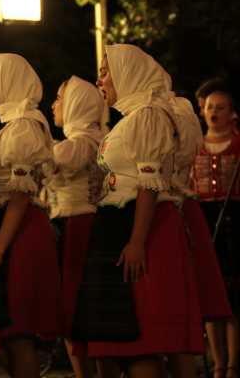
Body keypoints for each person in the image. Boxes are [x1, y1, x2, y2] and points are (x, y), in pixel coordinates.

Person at [73, 44, 204, 378]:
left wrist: (137, 241)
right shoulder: (131, 119)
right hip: (123, 222)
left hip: (145, 225)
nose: (100, 80)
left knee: (145, 336)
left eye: (106, 72)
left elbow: (149, 183)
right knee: (128, 336)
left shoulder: (148, 115)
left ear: (127, 73)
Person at [0, 52, 58, 378]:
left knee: (18, 334)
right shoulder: (12, 127)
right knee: (5, 334)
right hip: (7, 228)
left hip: (18, 231)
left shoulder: (23, 127)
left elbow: (20, 195)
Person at [48, 75, 105, 378]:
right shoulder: (97, 139)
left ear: (75, 104)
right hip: (87, 225)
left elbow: (41, 160)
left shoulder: (78, 145)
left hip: (75, 226)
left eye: (60, 98)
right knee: (86, 309)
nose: (54, 105)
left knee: (74, 307)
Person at [191, 80, 240, 378]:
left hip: (233, 218)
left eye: (220, 108)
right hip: (204, 218)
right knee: (211, 294)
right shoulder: (194, 145)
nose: (214, 112)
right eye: (210, 107)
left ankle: (233, 364)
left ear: (232, 112)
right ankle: (218, 364)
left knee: (233, 295)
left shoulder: (238, 144)